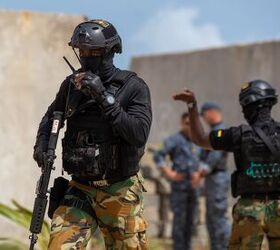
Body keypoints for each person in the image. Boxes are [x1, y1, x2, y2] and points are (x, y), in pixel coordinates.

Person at [33, 19, 152, 249]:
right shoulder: (71, 86)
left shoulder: (133, 87)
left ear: (110, 52)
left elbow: (138, 133)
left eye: (93, 51)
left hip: (120, 190)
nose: (86, 56)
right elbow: (51, 118)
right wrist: (41, 146)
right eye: (82, 50)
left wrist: (104, 97)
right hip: (80, 189)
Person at [173, 80, 280, 250]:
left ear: (248, 105)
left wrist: (192, 105)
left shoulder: (238, 135)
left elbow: (199, 138)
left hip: (249, 211)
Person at [153, 112, 200, 250]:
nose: (189, 126)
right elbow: (158, 156)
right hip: (180, 187)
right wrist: (169, 173)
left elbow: (205, 158)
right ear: (182, 123)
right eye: (187, 123)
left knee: (191, 223)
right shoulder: (174, 140)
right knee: (179, 222)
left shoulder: (198, 141)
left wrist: (201, 173)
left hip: (194, 188)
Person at [192, 102, 230, 250]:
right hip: (212, 179)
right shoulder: (214, 131)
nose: (203, 118)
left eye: (204, 114)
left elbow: (214, 157)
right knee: (212, 218)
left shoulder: (220, 131)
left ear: (212, 112)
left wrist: (200, 173)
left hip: (217, 178)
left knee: (218, 217)